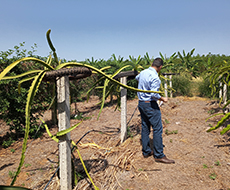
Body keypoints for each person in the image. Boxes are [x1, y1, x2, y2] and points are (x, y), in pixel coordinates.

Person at [135, 58, 175, 164]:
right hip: (150, 104)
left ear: (152, 64)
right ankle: (159, 155)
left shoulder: (143, 72)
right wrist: (163, 99)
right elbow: (154, 94)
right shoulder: (155, 77)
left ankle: (146, 151)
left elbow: (137, 78)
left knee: (145, 127)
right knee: (157, 129)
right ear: (160, 67)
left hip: (141, 103)